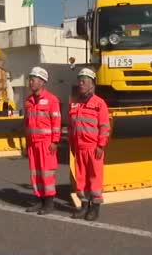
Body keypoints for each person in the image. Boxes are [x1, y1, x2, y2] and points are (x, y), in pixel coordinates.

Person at [69, 68, 111, 221]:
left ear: (92, 84)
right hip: (79, 148)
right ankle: (84, 206)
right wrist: (72, 145)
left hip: (93, 149)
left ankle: (95, 208)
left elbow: (105, 127)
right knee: (81, 179)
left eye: (84, 81)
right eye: (79, 80)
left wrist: (101, 145)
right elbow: (72, 127)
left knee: (95, 179)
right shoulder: (75, 104)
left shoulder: (99, 104)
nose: (80, 83)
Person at [23, 67, 62, 215]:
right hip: (33, 143)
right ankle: (39, 200)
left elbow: (56, 122)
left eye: (33, 80)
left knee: (46, 173)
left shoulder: (52, 100)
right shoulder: (28, 101)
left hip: (46, 143)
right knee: (36, 173)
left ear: (42, 82)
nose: (30, 82)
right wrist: (26, 143)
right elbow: (26, 123)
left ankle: (49, 203)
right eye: (30, 79)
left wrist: (55, 141)